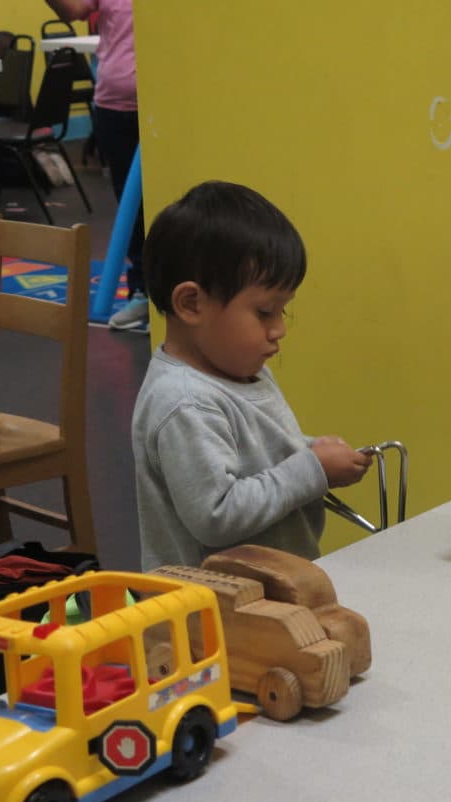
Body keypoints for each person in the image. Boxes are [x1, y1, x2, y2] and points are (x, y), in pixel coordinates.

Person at [131, 181, 372, 570]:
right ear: (192, 304)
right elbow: (217, 514)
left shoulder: (244, 371)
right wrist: (312, 468)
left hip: (270, 596)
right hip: (211, 616)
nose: (279, 329)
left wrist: (311, 450)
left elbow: (254, 455)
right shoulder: (183, 402)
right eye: (264, 312)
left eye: (283, 311)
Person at [44, 0, 148, 330]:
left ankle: (173, 295)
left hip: (161, 103)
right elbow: (72, 10)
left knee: (169, 204)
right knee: (130, 205)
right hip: (114, 106)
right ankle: (144, 293)